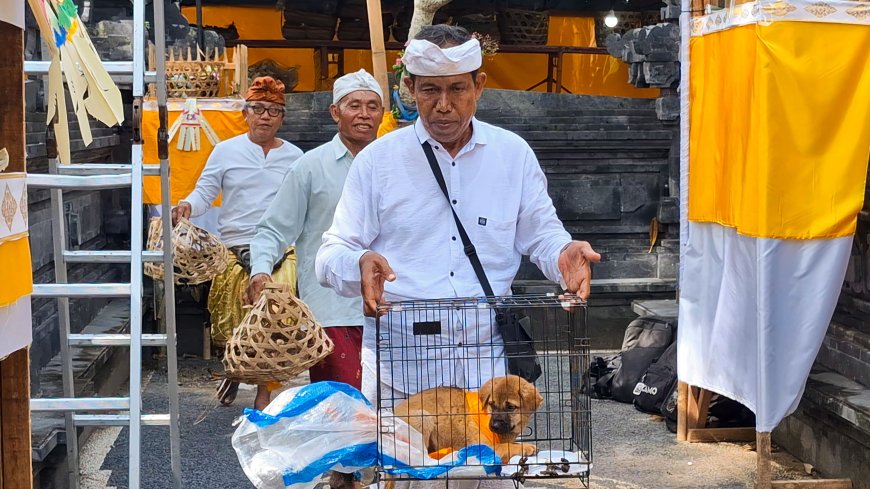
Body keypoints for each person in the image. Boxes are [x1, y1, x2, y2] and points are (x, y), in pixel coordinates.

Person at [314, 25, 601, 406]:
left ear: (479, 86)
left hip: (488, 378)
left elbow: (542, 234)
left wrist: (562, 254)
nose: (444, 104)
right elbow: (330, 254)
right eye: (430, 90)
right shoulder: (377, 162)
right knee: (405, 466)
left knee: (485, 464)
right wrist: (360, 262)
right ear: (411, 89)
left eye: (457, 89)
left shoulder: (512, 155)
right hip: (403, 374)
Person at [245, 69, 385, 392]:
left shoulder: (394, 164)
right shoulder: (310, 167)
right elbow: (272, 229)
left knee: (394, 417)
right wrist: (260, 271)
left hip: (392, 311)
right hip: (332, 312)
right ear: (335, 112)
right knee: (341, 412)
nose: (364, 114)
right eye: (354, 105)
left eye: (372, 106)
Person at [171, 76, 303, 410]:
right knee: (231, 322)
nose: (265, 116)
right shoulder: (225, 151)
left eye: (273, 111)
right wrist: (187, 205)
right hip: (234, 246)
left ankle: (264, 393)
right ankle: (234, 369)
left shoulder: (296, 157)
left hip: (279, 249)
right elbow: (204, 193)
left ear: (282, 118)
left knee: (276, 323)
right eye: (258, 109)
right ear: (245, 113)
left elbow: (304, 204)